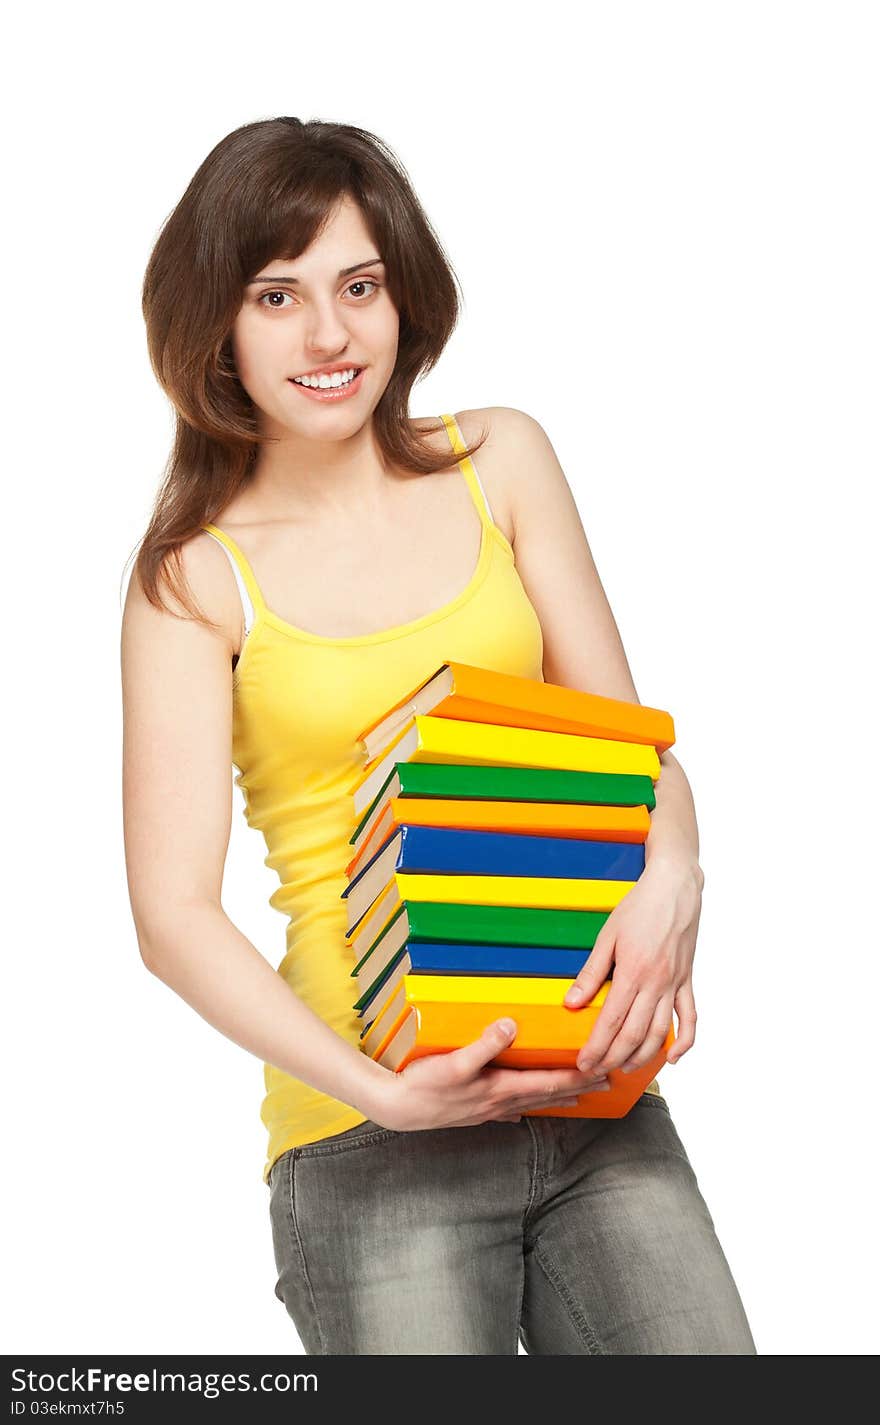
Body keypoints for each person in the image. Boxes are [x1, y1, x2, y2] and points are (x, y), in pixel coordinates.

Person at [121, 116, 757, 1355]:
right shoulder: (191, 582)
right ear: (217, 327)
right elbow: (171, 917)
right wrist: (390, 1096)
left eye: (357, 286)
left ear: (402, 296)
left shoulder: (499, 461)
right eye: (276, 294)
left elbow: (630, 752)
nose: (328, 335)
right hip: (365, 1137)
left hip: (596, 1097)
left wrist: (677, 874)